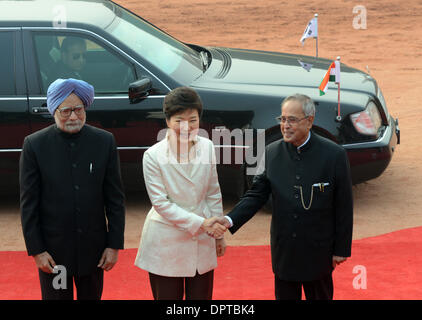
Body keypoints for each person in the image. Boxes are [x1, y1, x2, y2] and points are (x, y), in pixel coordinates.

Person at [215, 93, 353, 300]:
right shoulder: (271, 152)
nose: (285, 125)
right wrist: (228, 219)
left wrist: (341, 249)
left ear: (310, 121)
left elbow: (344, 205)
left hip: (319, 251)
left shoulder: (334, 155)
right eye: (283, 119)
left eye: (292, 120)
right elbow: (256, 194)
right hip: (285, 251)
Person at [20, 78, 125, 300]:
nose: (74, 116)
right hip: (54, 254)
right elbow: (29, 205)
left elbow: (115, 199)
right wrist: (37, 251)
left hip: (94, 251)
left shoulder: (104, 142)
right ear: (53, 110)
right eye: (66, 111)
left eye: (78, 109)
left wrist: (113, 245)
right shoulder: (34, 145)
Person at [134, 87, 227, 300]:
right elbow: (161, 203)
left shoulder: (208, 147)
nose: (187, 126)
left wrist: (218, 234)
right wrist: (200, 223)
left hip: (203, 239)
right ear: (167, 121)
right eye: (179, 120)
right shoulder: (153, 156)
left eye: (193, 120)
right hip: (166, 240)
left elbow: (213, 192)